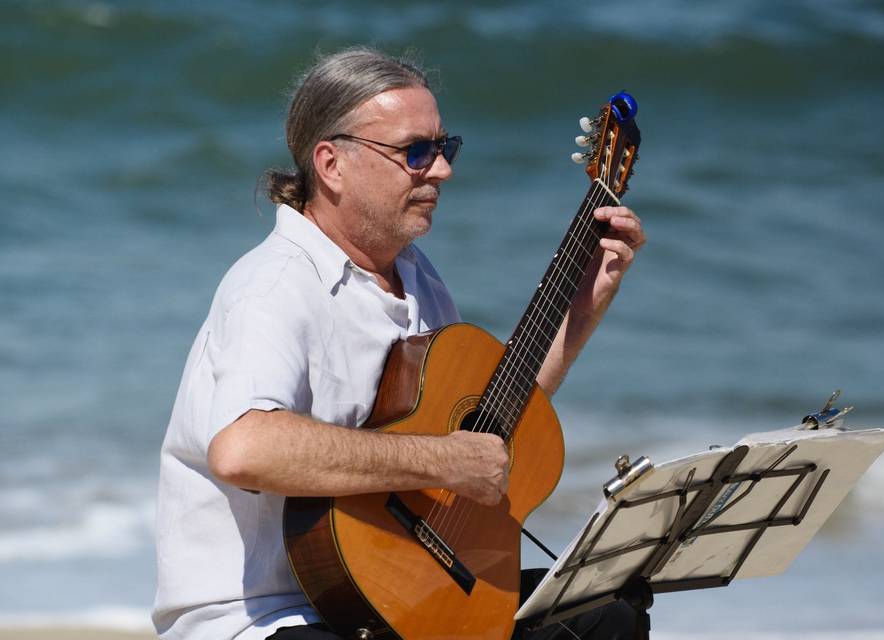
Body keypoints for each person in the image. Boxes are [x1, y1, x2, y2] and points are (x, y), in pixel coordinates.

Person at [153, 46, 646, 640]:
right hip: (260, 617)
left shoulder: (418, 278)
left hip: (397, 592)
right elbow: (242, 449)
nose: (442, 171)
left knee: (607, 612)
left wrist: (583, 306)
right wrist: (441, 459)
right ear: (332, 165)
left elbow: (489, 431)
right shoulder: (274, 286)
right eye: (416, 152)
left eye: (445, 148)